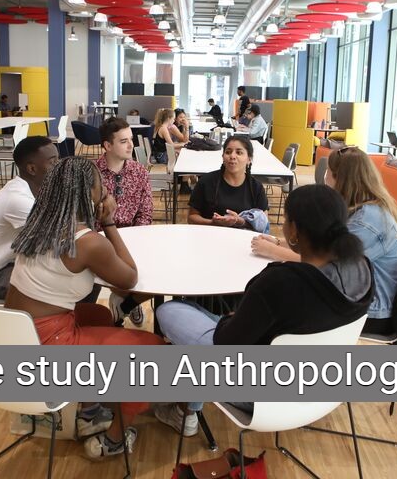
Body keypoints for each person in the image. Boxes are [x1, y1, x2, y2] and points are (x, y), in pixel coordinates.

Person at [154, 184, 374, 434]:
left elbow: (226, 343)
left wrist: (231, 321)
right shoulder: (362, 270)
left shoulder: (281, 281)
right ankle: (187, 409)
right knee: (208, 317)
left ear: (294, 231)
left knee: (170, 311)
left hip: (259, 395)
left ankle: (184, 411)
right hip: (323, 384)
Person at [4, 157, 165, 460]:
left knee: (100, 315)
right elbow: (129, 280)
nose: (105, 188)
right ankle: (114, 439)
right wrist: (109, 222)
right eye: (100, 184)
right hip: (45, 345)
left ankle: (89, 410)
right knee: (154, 350)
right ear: (88, 192)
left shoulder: (39, 225)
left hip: (10, 333)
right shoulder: (88, 242)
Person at [252, 147, 397, 335]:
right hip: (354, 300)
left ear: (341, 179)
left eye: (328, 172)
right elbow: (321, 244)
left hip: (369, 312)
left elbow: (322, 263)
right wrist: (277, 242)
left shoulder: (368, 222)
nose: (324, 178)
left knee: (274, 311)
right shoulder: (359, 209)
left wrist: (272, 251)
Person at [0, 136, 59, 299]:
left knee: (77, 274)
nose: (58, 166)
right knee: (68, 282)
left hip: (17, 263)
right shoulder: (17, 199)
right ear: (32, 169)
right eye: (53, 162)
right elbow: (60, 237)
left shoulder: (39, 190)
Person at [95, 117, 153, 326]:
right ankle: (125, 303)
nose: (131, 145)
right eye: (123, 141)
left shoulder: (139, 172)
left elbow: (146, 212)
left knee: (153, 272)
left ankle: (125, 303)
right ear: (107, 145)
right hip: (99, 238)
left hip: (133, 237)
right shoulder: (91, 173)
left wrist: (137, 237)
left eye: (131, 139)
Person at [188, 134, 268, 230]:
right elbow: (191, 217)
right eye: (228, 152)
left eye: (239, 153)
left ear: (249, 159)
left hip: (243, 238)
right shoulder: (206, 182)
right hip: (210, 235)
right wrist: (213, 223)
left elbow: (264, 222)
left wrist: (240, 221)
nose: (232, 156)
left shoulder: (256, 187)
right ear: (223, 156)